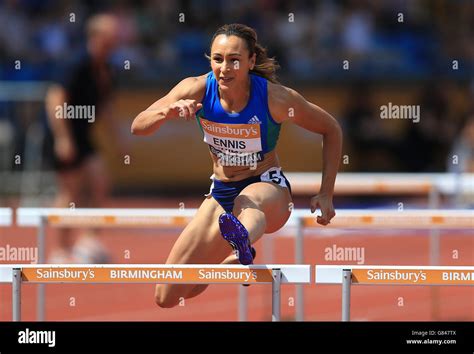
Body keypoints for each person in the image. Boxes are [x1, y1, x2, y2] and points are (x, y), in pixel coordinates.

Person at [131, 23, 342, 308]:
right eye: (218, 59)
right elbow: (138, 126)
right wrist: (165, 113)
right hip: (221, 192)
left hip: (268, 189)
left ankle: (241, 244)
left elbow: (331, 129)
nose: (224, 68)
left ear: (251, 61)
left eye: (234, 60)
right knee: (167, 295)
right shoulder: (195, 88)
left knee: (248, 199)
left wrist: (326, 191)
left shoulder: (276, 98)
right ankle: (231, 257)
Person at [45, 14, 121, 263]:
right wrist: (63, 138)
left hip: (84, 137)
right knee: (70, 193)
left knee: (100, 183)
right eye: (112, 36)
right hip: (65, 134)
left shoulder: (106, 68)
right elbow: (55, 98)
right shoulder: (76, 63)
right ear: (97, 36)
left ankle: (88, 241)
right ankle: (60, 250)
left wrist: (119, 139)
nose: (117, 41)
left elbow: (107, 105)